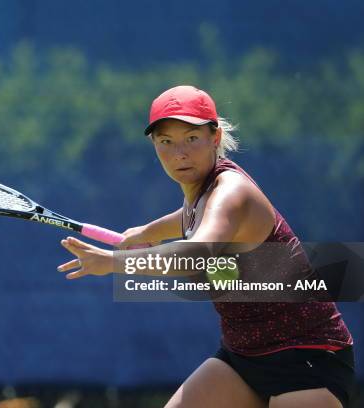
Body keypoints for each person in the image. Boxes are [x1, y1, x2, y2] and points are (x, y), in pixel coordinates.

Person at [57, 86, 354, 407]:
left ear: (215, 137)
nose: (179, 153)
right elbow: (189, 217)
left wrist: (113, 263)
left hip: (306, 357)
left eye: (191, 138)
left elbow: (197, 253)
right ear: (154, 145)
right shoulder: (202, 193)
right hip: (243, 357)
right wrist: (147, 230)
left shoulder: (230, 192)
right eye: (166, 142)